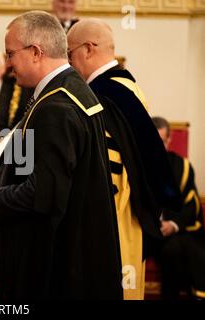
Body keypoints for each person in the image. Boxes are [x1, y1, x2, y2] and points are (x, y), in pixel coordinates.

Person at [0, 11, 122, 299]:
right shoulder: (73, 90)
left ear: (36, 52)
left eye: (11, 54)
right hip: (80, 250)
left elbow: (44, 194)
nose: (8, 64)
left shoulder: (56, 106)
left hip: (57, 262)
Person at [66, 18, 181, 299]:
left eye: (70, 53)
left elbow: (112, 164)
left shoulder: (109, 94)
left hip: (114, 211)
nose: (68, 62)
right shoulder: (125, 89)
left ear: (89, 49)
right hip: (127, 209)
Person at [153, 116, 205, 300]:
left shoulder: (182, 167)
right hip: (146, 232)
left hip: (173, 231)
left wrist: (173, 224)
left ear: (169, 140)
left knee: (177, 246)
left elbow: (191, 205)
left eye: (161, 141)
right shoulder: (136, 164)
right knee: (174, 247)